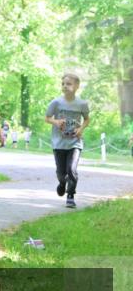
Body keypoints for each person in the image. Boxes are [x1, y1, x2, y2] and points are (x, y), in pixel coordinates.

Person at [45, 73, 90, 208]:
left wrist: (81, 129)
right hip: (59, 143)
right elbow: (47, 118)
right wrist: (56, 122)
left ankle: (70, 195)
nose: (65, 86)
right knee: (61, 172)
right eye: (63, 84)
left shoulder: (82, 104)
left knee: (72, 169)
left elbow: (87, 119)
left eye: (69, 84)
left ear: (77, 86)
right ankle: (62, 183)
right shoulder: (56, 102)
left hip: (75, 142)